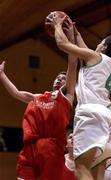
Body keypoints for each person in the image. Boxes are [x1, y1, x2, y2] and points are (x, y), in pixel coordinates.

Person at [48, 12, 111, 179]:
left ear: (103, 47)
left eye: (99, 43)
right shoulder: (108, 64)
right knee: (94, 172)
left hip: (91, 113)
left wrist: (56, 26)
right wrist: (73, 30)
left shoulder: (95, 57)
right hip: (104, 116)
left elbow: (62, 44)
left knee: (81, 169)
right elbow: (82, 45)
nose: (96, 46)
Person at [0, 23, 78, 179]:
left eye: (63, 79)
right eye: (58, 77)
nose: (60, 79)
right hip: (29, 147)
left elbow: (72, 64)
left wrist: (71, 39)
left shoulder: (66, 97)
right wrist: (1, 74)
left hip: (51, 147)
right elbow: (16, 93)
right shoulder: (38, 97)